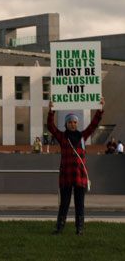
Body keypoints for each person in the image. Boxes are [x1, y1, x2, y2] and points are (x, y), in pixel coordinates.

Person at [49, 97, 105, 235]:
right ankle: (59, 228)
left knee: (80, 204)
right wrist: (51, 111)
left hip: (80, 176)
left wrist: (100, 110)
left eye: (75, 122)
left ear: (77, 124)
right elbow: (51, 127)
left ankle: (79, 229)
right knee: (64, 203)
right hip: (66, 176)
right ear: (66, 124)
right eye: (70, 122)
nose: (73, 124)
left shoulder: (82, 136)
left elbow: (94, 125)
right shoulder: (62, 137)